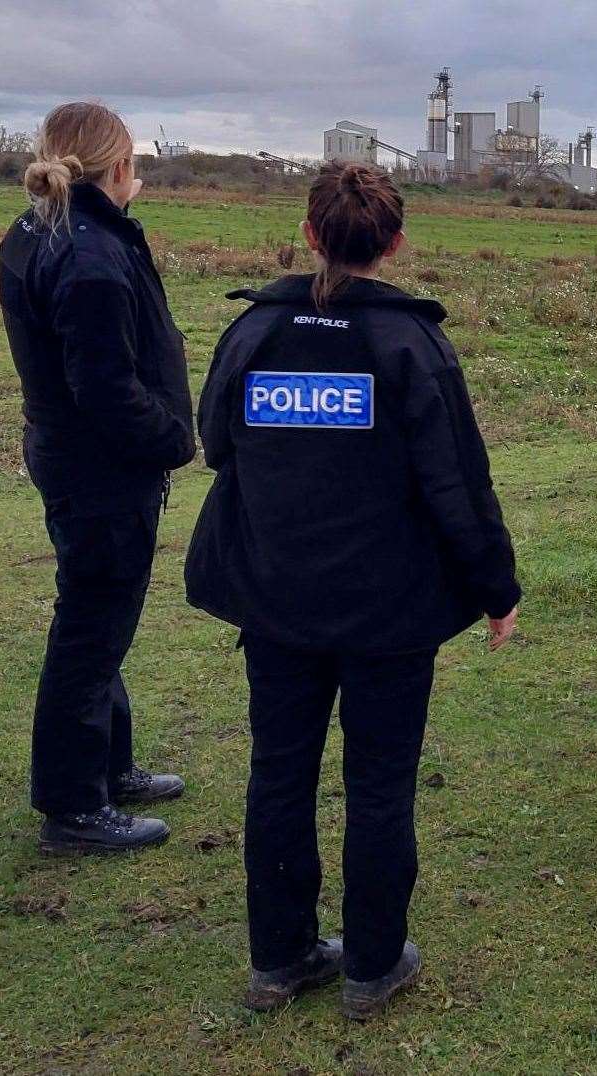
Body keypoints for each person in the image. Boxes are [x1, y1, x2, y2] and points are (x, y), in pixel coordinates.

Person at [184, 163, 521, 1020]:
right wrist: (497, 590)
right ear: (395, 244)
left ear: (309, 235)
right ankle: (369, 966)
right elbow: (459, 486)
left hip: (280, 603)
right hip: (388, 616)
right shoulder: (410, 346)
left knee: (280, 774)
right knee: (378, 785)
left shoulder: (256, 334)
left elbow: (216, 442)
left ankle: (279, 958)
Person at [0, 102, 193, 855]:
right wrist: (170, 439)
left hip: (72, 457)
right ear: (118, 168)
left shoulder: (41, 232)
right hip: (101, 470)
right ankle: (74, 806)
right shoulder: (88, 256)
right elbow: (105, 389)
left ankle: (107, 767)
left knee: (99, 619)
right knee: (90, 626)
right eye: (134, 162)